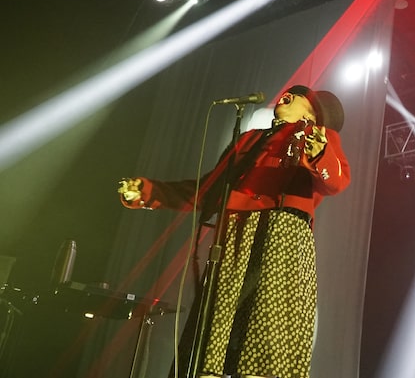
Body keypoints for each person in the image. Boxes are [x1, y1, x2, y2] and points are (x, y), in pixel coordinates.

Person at [118, 85, 350, 378]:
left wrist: (320, 155)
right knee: (214, 332)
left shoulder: (318, 137)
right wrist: (148, 192)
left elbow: (336, 182)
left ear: (312, 111)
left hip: (281, 235)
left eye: (300, 93)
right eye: (289, 90)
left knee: (267, 332)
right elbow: (208, 191)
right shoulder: (249, 140)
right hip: (235, 233)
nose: (288, 93)